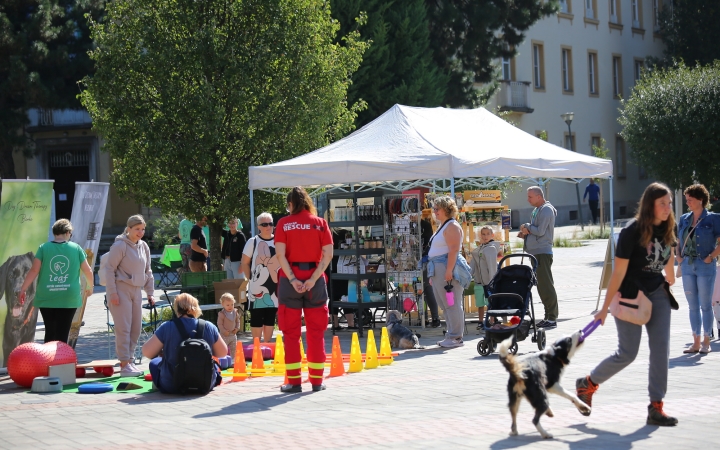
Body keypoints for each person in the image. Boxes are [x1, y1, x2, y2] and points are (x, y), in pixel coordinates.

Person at [576, 182, 679, 426]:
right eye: (662, 204)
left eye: (669, 203)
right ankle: (588, 383)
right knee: (628, 353)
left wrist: (671, 272)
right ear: (650, 205)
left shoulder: (668, 226)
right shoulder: (631, 232)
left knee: (660, 351)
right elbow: (618, 272)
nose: (667, 208)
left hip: (658, 294)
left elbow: (669, 253)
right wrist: (603, 309)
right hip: (631, 296)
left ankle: (656, 407)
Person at [275, 187, 333, 392]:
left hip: (289, 281)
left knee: (291, 333)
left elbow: (281, 255)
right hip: (314, 281)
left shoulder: (283, 223)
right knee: (316, 332)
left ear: (290, 204)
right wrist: (312, 279)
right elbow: (327, 255)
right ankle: (317, 382)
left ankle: (293, 382)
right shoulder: (320, 223)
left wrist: (292, 279)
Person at [18, 219, 94, 344]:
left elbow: (34, 270)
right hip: (69, 297)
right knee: (63, 332)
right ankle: (60, 361)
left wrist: (23, 289)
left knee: (50, 331)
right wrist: (90, 287)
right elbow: (88, 271)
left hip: (47, 295)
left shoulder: (43, 248)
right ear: (68, 232)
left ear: (54, 233)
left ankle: (47, 361)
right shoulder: (76, 248)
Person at [142, 293, 227, 394]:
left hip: (172, 385)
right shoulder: (208, 326)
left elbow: (147, 352)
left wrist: (163, 351)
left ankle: (158, 384)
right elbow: (222, 353)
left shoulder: (167, 327)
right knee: (215, 364)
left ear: (176, 308)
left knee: (154, 363)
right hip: (205, 383)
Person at [104, 215, 155, 377]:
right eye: (137, 229)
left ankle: (130, 361)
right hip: (120, 289)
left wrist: (150, 293)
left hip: (136, 290)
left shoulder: (144, 246)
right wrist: (113, 293)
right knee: (123, 328)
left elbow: (148, 271)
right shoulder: (120, 245)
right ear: (128, 229)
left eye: (142, 229)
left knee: (136, 328)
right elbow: (109, 269)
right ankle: (124, 363)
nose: (140, 232)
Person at [676, 183, 720, 354]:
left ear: (701, 200)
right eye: (687, 200)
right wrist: (678, 256)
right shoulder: (684, 219)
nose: (688, 203)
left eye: (690, 200)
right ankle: (695, 342)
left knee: (706, 305)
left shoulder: (713, 218)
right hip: (687, 265)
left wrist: (711, 257)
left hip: (705, 266)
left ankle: (706, 342)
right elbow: (679, 241)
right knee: (692, 306)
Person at [426, 196, 473, 348]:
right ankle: (451, 334)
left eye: (437, 209)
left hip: (446, 267)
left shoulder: (452, 226)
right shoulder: (443, 225)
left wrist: (448, 271)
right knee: (444, 303)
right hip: (438, 267)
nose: (434, 212)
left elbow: (453, 250)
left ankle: (456, 337)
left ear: (446, 209)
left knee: (451, 302)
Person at [518, 186, 558, 329]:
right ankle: (548, 316)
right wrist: (525, 232)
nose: (528, 199)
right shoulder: (537, 210)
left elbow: (540, 231)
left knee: (546, 285)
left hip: (543, 252)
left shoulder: (546, 209)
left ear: (539, 197)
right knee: (541, 286)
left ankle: (552, 318)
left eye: (530, 197)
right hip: (536, 252)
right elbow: (536, 230)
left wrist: (527, 226)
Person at [241, 212, 279, 343]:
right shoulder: (253, 241)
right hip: (257, 287)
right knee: (256, 316)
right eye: (265, 224)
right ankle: (257, 347)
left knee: (270, 317)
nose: (268, 226)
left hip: (275, 286)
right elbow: (244, 262)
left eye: (271, 223)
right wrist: (251, 279)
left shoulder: (279, 240)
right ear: (259, 226)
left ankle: (267, 345)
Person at [469, 225, 503, 330]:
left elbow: (492, 267)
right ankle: (480, 321)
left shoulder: (491, 249)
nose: (485, 236)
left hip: (489, 282)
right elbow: (472, 266)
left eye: (488, 234)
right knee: (480, 303)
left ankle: (492, 321)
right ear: (480, 235)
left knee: (490, 302)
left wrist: (492, 282)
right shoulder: (478, 249)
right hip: (479, 281)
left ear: (492, 235)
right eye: (483, 234)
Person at [329, 228, 356, 331]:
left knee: (333, 296)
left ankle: (335, 324)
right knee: (346, 295)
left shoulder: (325, 230)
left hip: (330, 265)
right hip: (344, 264)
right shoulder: (344, 232)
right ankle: (351, 324)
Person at [421, 217, 441, 328]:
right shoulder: (406, 225)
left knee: (427, 288)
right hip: (409, 261)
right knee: (418, 291)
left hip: (425, 260)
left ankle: (435, 317)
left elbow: (429, 242)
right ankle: (423, 317)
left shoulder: (425, 225)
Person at [217, 293, 240, 361]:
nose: (230, 306)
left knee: (234, 348)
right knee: (223, 349)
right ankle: (222, 360)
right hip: (224, 335)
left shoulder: (235, 312)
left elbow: (237, 321)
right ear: (222, 305)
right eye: (227, 305)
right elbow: (219, 324)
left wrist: (237, 328)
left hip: (233, 335)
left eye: (232, 304)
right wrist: (224, 331)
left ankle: (234, 361)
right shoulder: (222, 314)